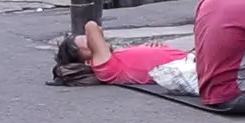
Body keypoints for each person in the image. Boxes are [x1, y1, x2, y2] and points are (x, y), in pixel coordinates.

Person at [52, 22, 188, 86]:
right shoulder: (105, 68)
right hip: (190, 68)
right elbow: (92, 26)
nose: (95, 41)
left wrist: (153, 50)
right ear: (87, 61)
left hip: (188, 61)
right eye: (89, 44)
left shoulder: (114, 59)